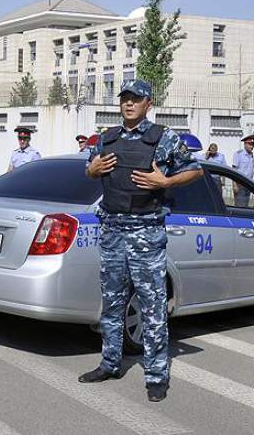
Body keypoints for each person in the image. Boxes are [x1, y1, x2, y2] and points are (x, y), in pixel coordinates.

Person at [80, 78, 202, 402]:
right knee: (112, 304)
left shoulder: (163, 138)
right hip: (112, 231)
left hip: (146, 232)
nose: (129, 103)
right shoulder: (106, 138)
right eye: (125, 98)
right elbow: (91, 172)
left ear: (149, 103)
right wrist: (92, 170)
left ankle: (156, 375)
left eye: (136, 98)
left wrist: (166, 180)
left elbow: (196, 170)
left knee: (152, 307)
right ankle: (109, 363)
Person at [232, 134, 254, 207]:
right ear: (245, 144)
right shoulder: (239, 154)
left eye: (253, 144)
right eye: (250, 144)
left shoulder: (251, 155)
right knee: (240, 206)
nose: (251, 146)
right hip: (240, 184)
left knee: (245, 205)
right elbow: (234, 170)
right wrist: (234, 185)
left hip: (248, 184)